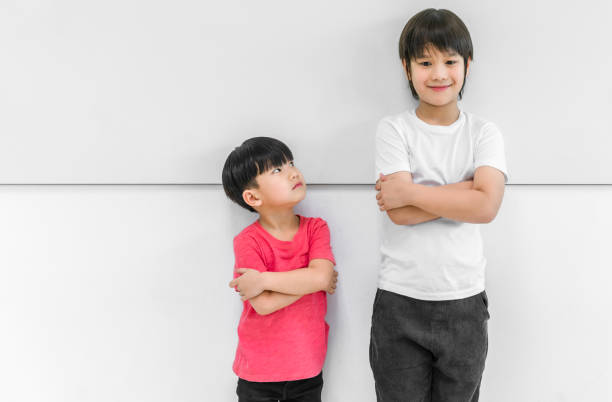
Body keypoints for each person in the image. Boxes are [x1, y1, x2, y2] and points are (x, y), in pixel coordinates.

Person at [370, 8, 508, 402]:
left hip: (464, 300)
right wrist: (466, 192)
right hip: (399, 298)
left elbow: (486, 208)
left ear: (468, 64)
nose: (439, 73)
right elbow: (397, 213)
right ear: (406, 67)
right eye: (425, 62)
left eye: (450, 61)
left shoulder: (484, 132)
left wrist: (412, 192)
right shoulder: (393, 129)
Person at [222, 136, 338, 402]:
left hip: (307, 371)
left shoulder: (315, 229)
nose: (293, 172)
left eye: (291, 163)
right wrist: (312, 281)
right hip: (258, 375)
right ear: (252, 196)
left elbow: (321, 275)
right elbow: (263, 305)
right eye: (277, 170)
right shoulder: (247, 241)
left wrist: (263, 280)